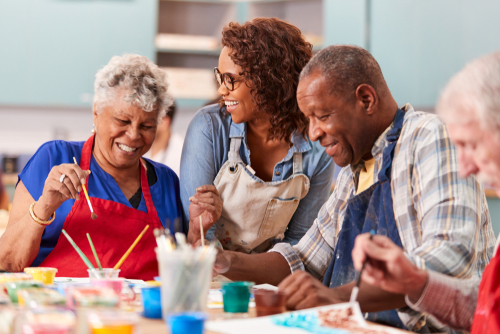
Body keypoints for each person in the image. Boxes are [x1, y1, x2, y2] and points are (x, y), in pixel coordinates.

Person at [210, 45, 495, 332]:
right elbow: (305, 260)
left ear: (366, 99)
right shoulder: (353, 170)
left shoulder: (428, 137)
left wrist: (338, 298)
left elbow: (451, 259)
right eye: (308, 119)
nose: (313, 133)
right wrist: (222, 260)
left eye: (321, 116)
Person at [351, 51, 500, 333]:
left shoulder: (427, 135)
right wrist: (415, 282)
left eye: (471, 145)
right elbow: (485, 310)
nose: (465, 168)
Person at [0, 54, 183, 280]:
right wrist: (44, 207)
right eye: (123, 121)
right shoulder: (53, 158)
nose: (134, 135)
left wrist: (197, 230)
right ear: (96, 112)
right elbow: (7, 262)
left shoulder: (167, 182)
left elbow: (181, 270)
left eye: (146, 125)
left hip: (141, 314)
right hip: (61, 311)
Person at [181, 18, 335, 252]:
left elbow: (300, 246)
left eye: (231, 79)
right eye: (220, 77)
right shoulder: (208, 128)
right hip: (210, 277)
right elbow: (200, 238)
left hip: (271, 280)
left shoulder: (316, 146)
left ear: (269, 80)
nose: (221, 90)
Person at [144, 102, 184, 176]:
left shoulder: (181, 155)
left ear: (164, 122)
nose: (144, 124)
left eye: (149, 119)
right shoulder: (142, 146)